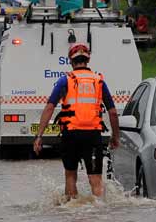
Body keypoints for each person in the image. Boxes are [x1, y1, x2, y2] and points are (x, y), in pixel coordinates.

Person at [33, 43, 120, 200]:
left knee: (71, 176)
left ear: (71, 62)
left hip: (71, 135)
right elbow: (113, 113)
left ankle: (72, 213)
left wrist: (39, 135)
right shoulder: (99, 81)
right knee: (96, 180)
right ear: (88, 61)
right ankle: (100, 213)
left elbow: (49, 107)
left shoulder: (65, 80)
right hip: (93, 136)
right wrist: (115, 136)